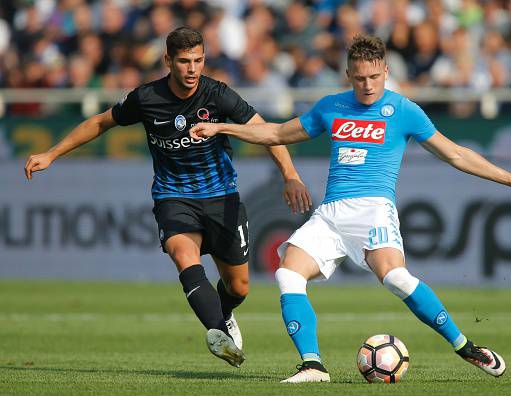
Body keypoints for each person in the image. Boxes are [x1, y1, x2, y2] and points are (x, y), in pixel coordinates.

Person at [190, 34, 511, 382]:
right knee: (288, 274)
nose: (367, 85)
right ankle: (313, 366)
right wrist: (221, 127)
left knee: (396, 278)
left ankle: (466, 347)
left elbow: (455, 153)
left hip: (373, 209)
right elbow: (276, 133)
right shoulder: (332, 106)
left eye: (374, 77)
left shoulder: (403, 110)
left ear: (386, 72)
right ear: (348, 74)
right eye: (359, 78)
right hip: (330, 215)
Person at [23, 27, 312, 368]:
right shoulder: (146, 98)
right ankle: (219, 333)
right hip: (173, 196)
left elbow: (266, 131)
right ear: (168, 61)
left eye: (199, 61)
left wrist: (290, 176)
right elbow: (101, 123)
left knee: (239, 286)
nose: (193, 69)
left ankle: (225, 312)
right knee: (182, 253)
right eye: (185, 61)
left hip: (223, 198)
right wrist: (52, 154)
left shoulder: (217, 94)